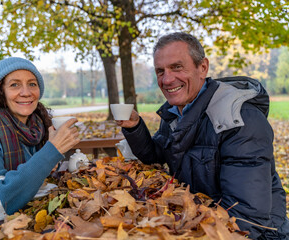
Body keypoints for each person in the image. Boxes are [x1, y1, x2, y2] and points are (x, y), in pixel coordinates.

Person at [116, 32, 289, 239]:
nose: (167, 79)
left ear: (203, 68)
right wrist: (135, 127)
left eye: (177, 67)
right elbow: (156, 155)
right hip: (201, 219)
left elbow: (246, 218)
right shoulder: (176, 112)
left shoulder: (239, 119)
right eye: (160, 71)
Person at [0, 57, 80, 239]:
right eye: (15, 85)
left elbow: (37, 176)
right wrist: (51, 151)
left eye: (32, 84)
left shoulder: (39, 127)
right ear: (0, 92)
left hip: (23, 225)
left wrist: (54, 159)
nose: (26, 92)